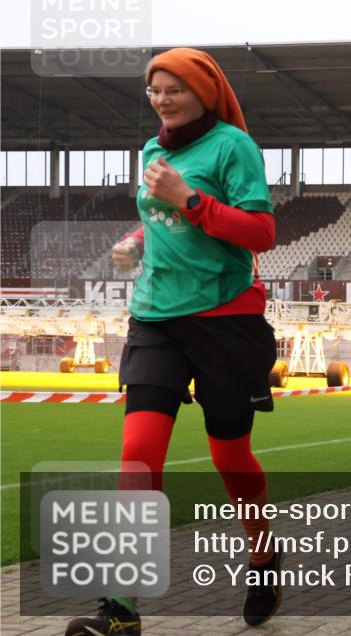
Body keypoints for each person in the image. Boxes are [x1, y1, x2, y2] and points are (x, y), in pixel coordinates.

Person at [67, 48, 281, 636]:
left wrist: (190, 198)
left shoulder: (234, 148)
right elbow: (160, 217)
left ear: (204, 92)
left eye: (174, 89)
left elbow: (261, 232)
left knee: (229, 458)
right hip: (155, 318)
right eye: (154, 90)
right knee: (138, 457)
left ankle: (262, 556)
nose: (162, 99)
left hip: (224, 322)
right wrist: (136, 241)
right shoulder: (152, 149)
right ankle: (122, 609)